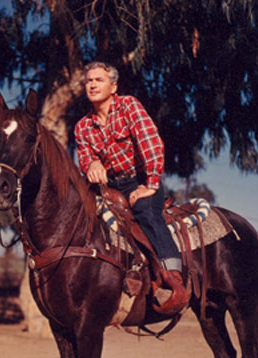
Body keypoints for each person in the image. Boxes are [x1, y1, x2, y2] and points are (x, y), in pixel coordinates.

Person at [74, 61, 188, 315]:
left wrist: (151, 184)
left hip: (139, 179)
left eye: (98, 80)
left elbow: (151, 143)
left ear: (113, 86)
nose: (92, 85)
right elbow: (84, 156)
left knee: (146, 212)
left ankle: (173, 277)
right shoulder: (82, 127)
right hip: (107, 187)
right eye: (88, 81)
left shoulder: (128, 106)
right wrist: (91, 162)